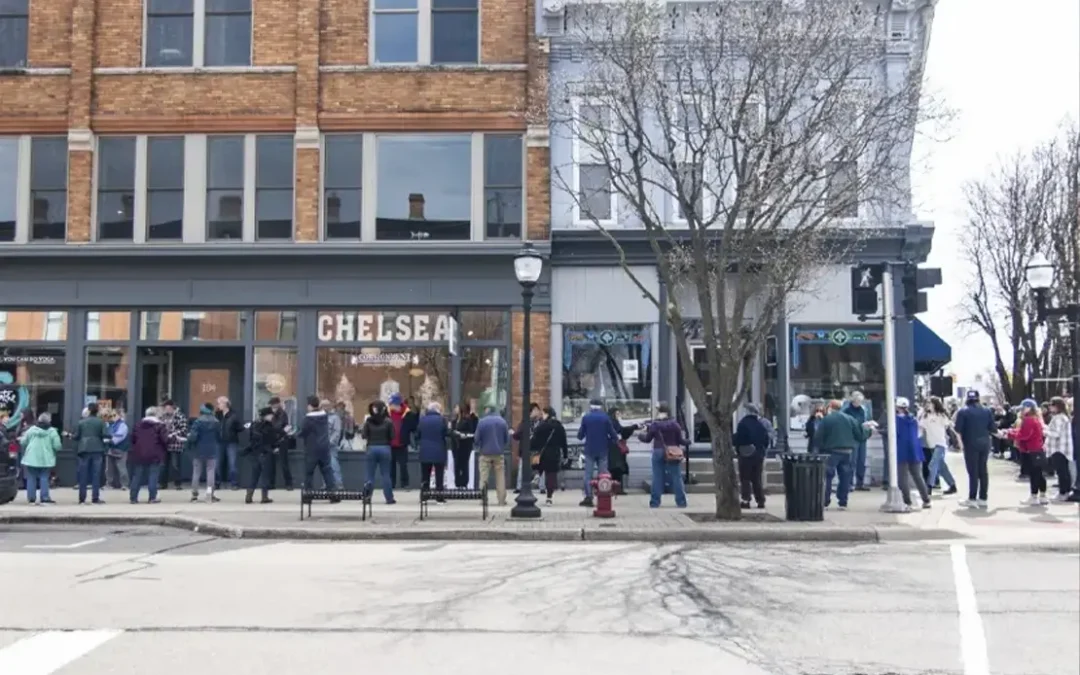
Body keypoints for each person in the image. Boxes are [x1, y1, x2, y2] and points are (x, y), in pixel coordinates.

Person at [813, 399, 874, 510]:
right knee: (845, 477)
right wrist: (869, 430)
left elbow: (818, 437)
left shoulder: (826, 420)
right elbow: (860, 435)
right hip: (847, 452)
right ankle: (843, 502)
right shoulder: (850, 419)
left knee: (827, 477)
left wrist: (819, 449)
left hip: (830, 452)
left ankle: (825, 502)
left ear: (830, 407)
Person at [953, 389, 997, 509]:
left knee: (973, 471)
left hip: (970, 443)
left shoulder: (963, 411)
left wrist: (960, 445)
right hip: (985, 443)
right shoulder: (987, 411)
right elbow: (993, 428)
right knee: (983, 470)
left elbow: (958, 430)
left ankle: (972, 498)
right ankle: (983, 498)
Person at [639, 403, 688, 508]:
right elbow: (680, 440)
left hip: (658, 451)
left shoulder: (654, 425)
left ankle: (655, 502)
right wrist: (687, 442)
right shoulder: (675, 425)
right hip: (673, 452)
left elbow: (647, 439)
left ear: (658, 412)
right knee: (676, 477)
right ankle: (681, 502)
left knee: (657, 477)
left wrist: (640, 436)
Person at [1004, 398, 1048, 506]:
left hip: (1031, 450)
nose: (1021, 410)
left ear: (1029, 408)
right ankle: (1042, 496)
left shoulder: (1029, 419)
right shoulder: (1035, 418)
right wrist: (1011, 432)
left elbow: (1024, 435)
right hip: (1037, 450)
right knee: (1039, 474)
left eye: (1023, 408)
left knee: (1034, 474)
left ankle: (1034, 496)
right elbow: (1023, 432)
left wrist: (1009, 434)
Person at [577, 398, 618, 507]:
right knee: (603, 474)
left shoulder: (586, 418)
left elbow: (580, 435)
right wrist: (614, 441)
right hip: (603, 449)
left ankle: (588, 497)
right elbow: (613, 433)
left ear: (591, 406)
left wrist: (583, 434)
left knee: (588, 474)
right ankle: (603, 494)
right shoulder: (605, 418)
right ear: (601, 406)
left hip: (590, 449)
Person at [297, 395, 338, 495]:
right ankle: (332, 493)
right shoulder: (324, 416)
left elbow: (303, 432)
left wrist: (296, 434)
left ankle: (308, 494)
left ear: (310, 406)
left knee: (309, 472)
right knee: (327, 471)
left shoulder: (307, 419)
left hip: (311, 449)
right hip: (324, 447)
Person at [895, 398, 931, 510]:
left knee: (902, 478)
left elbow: (892, 433)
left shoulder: (896, 421)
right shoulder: (913, 419)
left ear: (897, 407)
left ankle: (907, 502)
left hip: (902, 451)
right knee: (918, 476)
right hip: (915, 451)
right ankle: (926, 500)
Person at [919, 396, 958, 496]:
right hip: (931, 444)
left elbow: (949, 425)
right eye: (927, 403)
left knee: (932, 465)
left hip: (940, 444)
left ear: (935, 404)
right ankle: (952, 485)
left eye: (930, 403)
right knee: (941, 467)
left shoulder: (941, 415)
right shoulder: (925, 416)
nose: (928, 405)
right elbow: (920, 429)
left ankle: (929, 487)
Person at [733, 403, 770, 509]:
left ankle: (746, 500)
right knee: (757, 478)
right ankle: (760, 500)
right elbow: (766, 440)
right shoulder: (760, 425)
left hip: (746, 455)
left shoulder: (743, 424)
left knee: (745, 478)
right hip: (759, 455)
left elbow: (740, 439)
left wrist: (735, 444)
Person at [128, 407, 168, 504]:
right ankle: (152, 497)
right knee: (153, 475)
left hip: (139, 453)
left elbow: (132, 439)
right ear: (156, 415)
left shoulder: (137, 425)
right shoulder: (160, 426)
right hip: (155, 453)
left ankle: (133, 498)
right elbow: (165, 440)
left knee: (137, 475)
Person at [74, 402, 111, 505]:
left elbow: (76, 436)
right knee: (96, 474)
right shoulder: (101, 422)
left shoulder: (81, 422)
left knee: (83, 474)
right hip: (97, 449)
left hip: (84, 449)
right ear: (97, 411)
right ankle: (95, 497)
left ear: (89, 410)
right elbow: (105, 435)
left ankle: (82, 498)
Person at [20, 412, 61, 505]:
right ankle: (45, 497)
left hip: (31, 458)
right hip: (46, 458)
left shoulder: (31, 430)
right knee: (44, 478)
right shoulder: (52, 431)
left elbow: (23, 442)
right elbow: (57, 445)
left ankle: (31, 498)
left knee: (31, 478)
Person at [361, 400, 396, 504]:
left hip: (371, 447)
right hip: (385, 447)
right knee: (386, 474)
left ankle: (367, 497)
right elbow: (392, 436)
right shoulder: (388, 421)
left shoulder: (369, 421)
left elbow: (364, 435)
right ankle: (389, 498)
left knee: (369, 474)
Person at [475, 405, 510, 506]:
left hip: (485, 453)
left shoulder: (482, 422)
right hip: (499, 453)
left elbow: (477, 439)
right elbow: (506, 438)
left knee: (483, 477)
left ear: (487, 410)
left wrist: (479, 446)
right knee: (500, 476)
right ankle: (501, 500)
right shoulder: (502, 421)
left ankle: (483, 499)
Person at [187, 403, 222, 502]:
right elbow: (219, 436)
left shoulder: (198, 422)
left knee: (196, 472)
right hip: (212, 449)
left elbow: (193, 437)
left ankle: (194, 494)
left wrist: (189, 439)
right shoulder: (216, 422)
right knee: (211, 471)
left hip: (198, 449)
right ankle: (209, 493)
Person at [533, 406, 568, 505]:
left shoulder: (541, 426)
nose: (542, 416)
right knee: (551, 475)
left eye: (543, 414)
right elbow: (564, 442)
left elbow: (535, 440)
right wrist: (565, 455)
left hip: (543, 453)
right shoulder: (558, 426)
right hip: (554, 453)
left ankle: (537, 478)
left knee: (540, 469)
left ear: (547, 414)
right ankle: (549, 496)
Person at [245, 406, 279, 504]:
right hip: (265, 452)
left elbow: (250, 439)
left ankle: (249, 496)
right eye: (271, 415)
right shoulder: (269, 426)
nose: (272, 416)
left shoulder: (254, 424)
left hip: (255, 453)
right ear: (267, 415)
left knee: (254, 475)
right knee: (265, 476)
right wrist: (275, 447)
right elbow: (272, 440)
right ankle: (264, 497)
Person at [417, 402, 449, 499]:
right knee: (439, 476)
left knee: (425, 475)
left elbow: (418, 434)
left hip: (425, 451)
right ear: (438, 410)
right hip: (439, 451)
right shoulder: (442, 420)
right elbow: (445, 433)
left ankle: (424, 496)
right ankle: (439, 497)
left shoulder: (422, 420)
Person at [1044, 396, 1073, 501]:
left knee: (1061, 472)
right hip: (1062, 448)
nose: (1050, 407)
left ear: (1057, 406)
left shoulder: (1059, 418)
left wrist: (1045, 431)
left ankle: (1063, 492)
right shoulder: (1063, 417)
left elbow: (1056, 433)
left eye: (1052, 405)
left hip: (1059, 448)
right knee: (1063, 471)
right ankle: (1065, 491)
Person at [842, 392, 871, 490]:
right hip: (853, 438)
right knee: (852, 461)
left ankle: (860, 483)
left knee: (861, 461)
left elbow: (867, 419)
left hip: (862, 437)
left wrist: (869, 428)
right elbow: (846, 423)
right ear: (853, 400)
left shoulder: (864, 409)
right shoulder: (847, 410)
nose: (859, 403)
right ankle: (850, 483)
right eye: (858, 401)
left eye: (861, 401)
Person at [512, 403, 543, 493]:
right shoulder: (525, 422)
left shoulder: (541, 423)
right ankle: (519, 487)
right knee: (522, 468)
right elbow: (517, 435)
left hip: (537, 449)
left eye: (538, 410)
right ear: (530, 412)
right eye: (535, 410)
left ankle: (542, 487)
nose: (537, 412)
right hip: (525, 450)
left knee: (540, 468)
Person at [159, 400, 189, 490]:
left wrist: (173, 434)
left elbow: (184, 429)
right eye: (165, 408)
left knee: (175, 465)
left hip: (176, 444)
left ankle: (178, 484)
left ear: (172, 407)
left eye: (168, 408)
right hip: (164, 444)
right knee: (163, 465)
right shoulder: (162, 417)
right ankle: (162, 484)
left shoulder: (180, 416)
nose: (166, 410)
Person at [607, 408, 638, 495]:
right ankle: (617, 488)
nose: (618, 415)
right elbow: (621, 432)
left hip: (612, 448)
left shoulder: (612, 422)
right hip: (615, 449)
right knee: (617, 469)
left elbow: (622, 431)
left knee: (614, 469)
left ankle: (614, 488)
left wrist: (632, 427)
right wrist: (633, 427)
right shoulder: (613, 422)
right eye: (617, 414)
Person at [216, 396, 244, 491]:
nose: (218, 405)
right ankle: (217, 483)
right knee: (217, 464)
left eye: (219, 403)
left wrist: (234, 430)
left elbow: (240, 428)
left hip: (231, 442)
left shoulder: (234, 415)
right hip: (219, 442)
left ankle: (234, 483)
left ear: (225, 404)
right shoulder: (217, 415)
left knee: (232, 464)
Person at [387, 393, 414, 489]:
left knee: (403, 465)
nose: (391, 406)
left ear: (398, 404)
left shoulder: (407, 413)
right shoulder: (387, 414)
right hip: (390, 444)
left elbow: (412, 427)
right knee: (391, 465)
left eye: (392, 404)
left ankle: (405, 483)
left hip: (402, 443)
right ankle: (392, 484)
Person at [267, 396, 293, 491]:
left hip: (281, 440)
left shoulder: (282, 414)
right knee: (270, 464)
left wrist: (271, 426)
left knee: (284, 463)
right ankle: (271, 483)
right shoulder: (270, 414)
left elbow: (280, 426)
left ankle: (288, 483)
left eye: (273, 405)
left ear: (277, 404)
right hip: (272, 440)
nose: (272, 407)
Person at [450, 403, 478, 488]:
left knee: (464, 464)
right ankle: (457, 483)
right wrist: (454, 433)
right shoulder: (454, 421)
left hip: (465, 445)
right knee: (456, 464)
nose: (455, 409)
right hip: (456, 445)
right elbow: (451, 432)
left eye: (456, 407)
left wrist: (463, 435)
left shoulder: (467, 420)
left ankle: (464, 482)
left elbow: (472, 432)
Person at [105, 410, 131, 490]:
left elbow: (119, 436)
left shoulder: (123, 425)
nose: (112, 417)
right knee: (109, 468)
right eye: (111, 415)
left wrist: (110, 440)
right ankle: (109, 484)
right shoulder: (110, 425)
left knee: (122, 468)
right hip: (111, 448)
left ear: (119, 416)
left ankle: (125, 484)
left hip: (120, 449)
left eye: (114, 415)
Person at [322, 399, 344, 490]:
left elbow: (337, 431)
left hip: (331, 445)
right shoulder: (320, 417)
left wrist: (330, 442)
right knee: (324, 465)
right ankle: (326, 484)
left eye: (326, 406)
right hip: (321, 445)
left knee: (333, 463)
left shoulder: (335, 417)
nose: (324, 408)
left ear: (330, 406)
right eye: (322, 406)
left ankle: (338, 483)